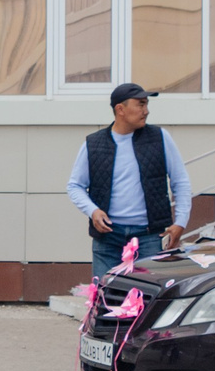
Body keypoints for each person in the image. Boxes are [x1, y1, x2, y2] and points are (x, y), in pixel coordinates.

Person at [65, 83, 193, 276]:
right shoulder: (94, 144)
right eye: (140, 104)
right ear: (120, 109)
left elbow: (180, 182)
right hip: (108, 236)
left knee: (148, 299)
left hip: (149, 235)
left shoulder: (160, 138)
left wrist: (181, 221)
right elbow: (75, 186)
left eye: (147, 104)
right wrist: (93, 211)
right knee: (105, 298)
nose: (146, 111)